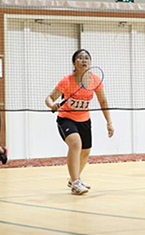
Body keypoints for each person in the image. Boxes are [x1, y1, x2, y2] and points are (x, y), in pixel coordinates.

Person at [45, 49, 114, 195]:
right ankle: (76, 183)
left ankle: (73, 178)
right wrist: (52, 105)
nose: (84, 60)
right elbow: (49, 98)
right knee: (76, 144)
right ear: (74, 63)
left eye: (87, 58)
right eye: (80, 58)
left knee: (86, 151)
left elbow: (103, 101)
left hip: (84, 120)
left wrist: (109, 122)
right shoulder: (67, 80)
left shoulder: (95, 80)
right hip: (66, 119)